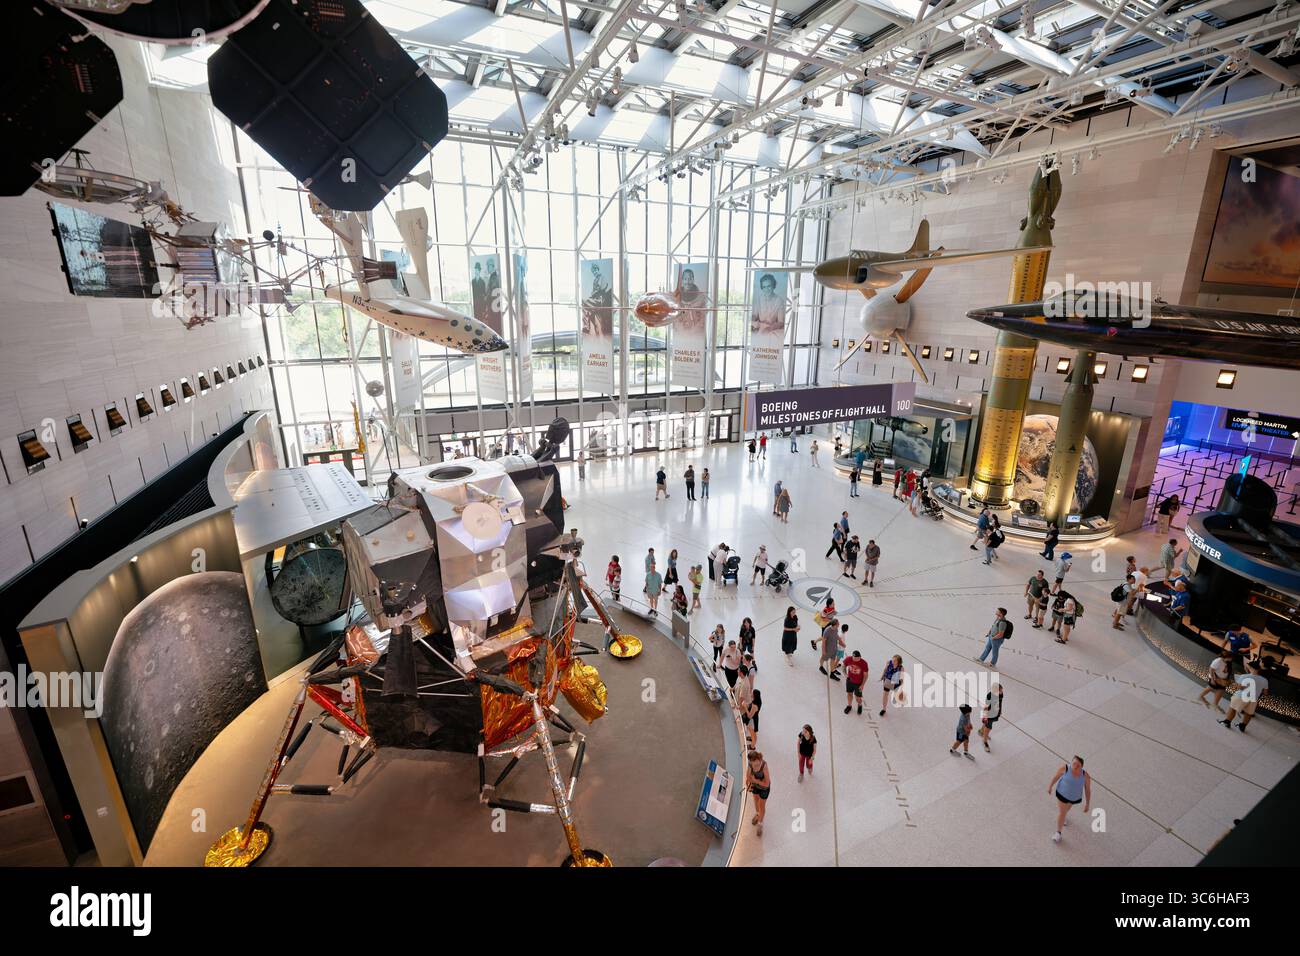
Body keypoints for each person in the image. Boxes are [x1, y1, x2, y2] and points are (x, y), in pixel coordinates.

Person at [1048, 756, 1091, 843]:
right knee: (1062, 812)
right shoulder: (1065, 768)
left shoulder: (1085, 775)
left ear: (1081, 767)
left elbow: (1087, 789)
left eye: (1078, 765)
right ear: (1071, 763)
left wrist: (1087, 804)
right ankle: (1058, 833)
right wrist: (1050, 786)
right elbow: (1056, 776)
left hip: (1074, 797)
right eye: (1074, 763)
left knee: (1066, 809)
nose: (1075, 766)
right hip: (1062, 794)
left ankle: (1064, 816)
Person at [1220, 659, 1269, 733]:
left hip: (1241, 696)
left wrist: (1235, 684)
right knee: (1248, 713)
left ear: (1251, 668)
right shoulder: (1265, 680)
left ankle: (1227, 722)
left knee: (1233, 709)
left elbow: (1241, 688)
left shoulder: (1244, 676)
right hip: (1253, 699)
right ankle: (1242, 726)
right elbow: (1265, 692)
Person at [746, 750, 771, 836]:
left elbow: (767, 783)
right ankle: (757, 814)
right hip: (755, 786)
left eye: (757, 764)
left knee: (761, 805)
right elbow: (748, 776)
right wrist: (749, 783)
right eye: (754, 765)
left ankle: (760, 823)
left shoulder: (764, 765)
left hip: (764, 788)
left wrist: (755, 780)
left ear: (759, 760)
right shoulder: (750, 764)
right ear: (750, 762)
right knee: (756, 802)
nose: (756, 767)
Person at [978, 683, 1003, 752]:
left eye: (1001, 690)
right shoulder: (989, 696)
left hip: (996, 713)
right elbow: (986, 707)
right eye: (1000, 691)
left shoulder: (1001, 694)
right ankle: (984, 741)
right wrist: (985, 717)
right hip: (989, 715)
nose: (1001, 692)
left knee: (987, 725)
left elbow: (1000, 703)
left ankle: (981, 731)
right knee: (988, 728)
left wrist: (1000, 710)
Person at [843, 650, 869, 715]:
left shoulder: (864, 663)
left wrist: (862, 685)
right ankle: (849, 706)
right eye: (854, 658)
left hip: (858, 683)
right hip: (849, 681)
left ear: (860, 657)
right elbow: (843, 666)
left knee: (858, 698)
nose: (855, 660)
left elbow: (866, 675)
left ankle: (860, 705)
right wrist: (845, 675)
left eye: (857, 659)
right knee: (849, 694)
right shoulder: (848, 659)